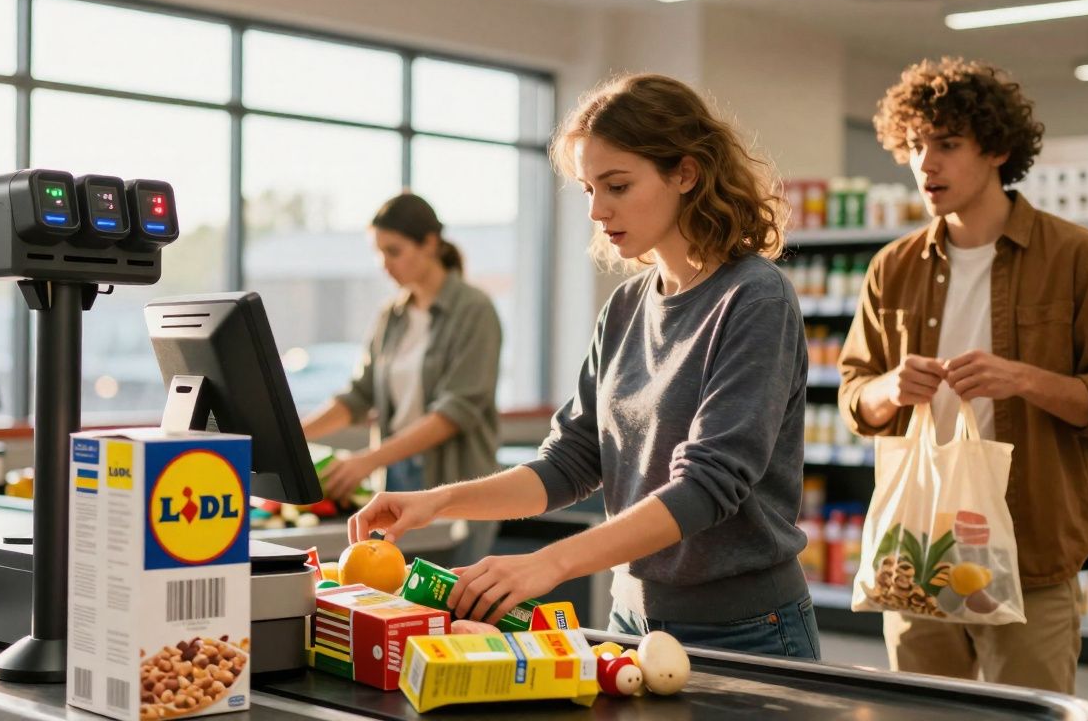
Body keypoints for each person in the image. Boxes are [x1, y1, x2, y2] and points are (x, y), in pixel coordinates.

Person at [350, 74, 819, 659]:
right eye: (589, 190)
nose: (598, 210)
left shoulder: (754, 298)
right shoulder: (625, 306)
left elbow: (707, 487)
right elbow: (570, 462)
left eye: (617, 185)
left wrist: (550, 564)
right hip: (630, 620)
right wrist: (439, 502)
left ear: (686, 174)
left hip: (746, 629)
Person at [838, 57, 1088, 693]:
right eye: (916, 146)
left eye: (948, 145)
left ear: (998, 150)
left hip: (1029, 551)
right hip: (916, 551)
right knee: (921, 714)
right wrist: (888, 389)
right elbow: (853, 396)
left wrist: (1024, 380)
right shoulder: (892, 267)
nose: (927, 164)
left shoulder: (1077, 256)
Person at [300, 193, 502, 505]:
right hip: (394, 473)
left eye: (393, 251)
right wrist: (295, 437)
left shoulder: (475, 310)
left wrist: (368, 459)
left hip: (454, 482)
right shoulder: (390, 316)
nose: (384, 264)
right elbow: (359, 395)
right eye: (378, 253)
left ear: (430, 244)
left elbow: (455, 412)